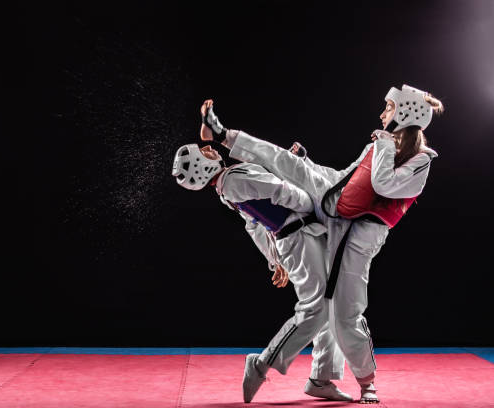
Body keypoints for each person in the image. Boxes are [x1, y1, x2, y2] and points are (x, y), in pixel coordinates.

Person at [199, 84, 444, 404]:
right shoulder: (380, 144)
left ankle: (364, 380)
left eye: (389, 108)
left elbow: (384, 184)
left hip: (360, 235)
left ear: (405, 113)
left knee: (344, 313)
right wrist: (309, 163)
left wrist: (383, 145)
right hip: (336, 201)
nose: (383, 113)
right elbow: (349, 177)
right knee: (286, 160)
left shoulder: (421, 160)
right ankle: (222, 133)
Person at [171, 143, 352, 403]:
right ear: (201, 165)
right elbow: (283, 192)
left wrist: (274, 259)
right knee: (316, 309)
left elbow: (255, 225)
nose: (209, 149)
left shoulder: (227, 187)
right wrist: (318, 207)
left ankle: (321, 378)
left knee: (329, 303)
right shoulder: (233, 179)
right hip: (299, 236)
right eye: (203, 151)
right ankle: (261, 364)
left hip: (297, 236)